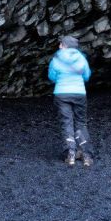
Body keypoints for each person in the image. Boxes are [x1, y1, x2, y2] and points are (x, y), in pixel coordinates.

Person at [48, 35, 93, 166]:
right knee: (80, 122)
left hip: (62, 94)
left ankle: (71, 154)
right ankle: (86, 156)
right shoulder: (81, 58)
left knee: (66, 122)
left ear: (65, 46)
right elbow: (86, 75)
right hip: (79, 93)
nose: (59, 46)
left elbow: (52, 76)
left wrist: (62, 80)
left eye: (61, 44)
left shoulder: (57, 58)